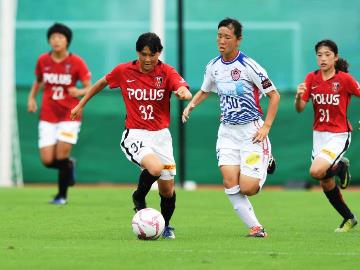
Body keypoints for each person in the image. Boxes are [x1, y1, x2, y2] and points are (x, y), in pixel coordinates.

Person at [70, 32, 192, 239]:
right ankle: (139, 197)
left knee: (167, 190)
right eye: (143, 54)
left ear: (159, 53)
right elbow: (101, 83)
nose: (147, 59)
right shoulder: (124, 70)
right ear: (138, 52)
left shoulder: (166, 72)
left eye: (151, 55)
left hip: (161, 136)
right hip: (136, 134)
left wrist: (183, 93)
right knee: (154, 168)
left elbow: (183, 88)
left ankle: (165, 225)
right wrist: (81, 104)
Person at [182, 18, 280, 237]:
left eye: (227, 37)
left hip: (251, 132)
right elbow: (206, 89)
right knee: (228, 180)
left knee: (248, 188)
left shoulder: (249, 66)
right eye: (219, 36)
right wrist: (191, 105)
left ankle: (267, 158)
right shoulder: (213, 66)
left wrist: (267, 126)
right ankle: (255, 228)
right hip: (227, 131)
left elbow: (274, 96)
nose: (222, 41)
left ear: (238, 40)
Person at [295, 39, 360, 232]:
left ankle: (340, 167)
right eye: (319, 55)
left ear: (335, 57)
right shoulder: (311, 78)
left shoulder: (345, 80)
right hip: (319, 135)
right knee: (324, 181)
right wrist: (299, 97)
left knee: (315, 171)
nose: (323, 58)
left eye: (327, 54)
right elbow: (299, 109)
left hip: (339, 134)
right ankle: (349, 218)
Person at [27, 22, 92, 205]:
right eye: (53, 37)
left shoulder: (76, 62)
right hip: (48, 115)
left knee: (61, 155)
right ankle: (69, 166)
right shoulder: (43, 60)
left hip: (69, 115)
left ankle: (61, 196)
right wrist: (31, 98)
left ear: (67, 41)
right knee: (48, 160)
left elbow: (89, 87)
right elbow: (38, 81)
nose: (56, 41)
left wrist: (78, 92)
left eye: (60, 37)